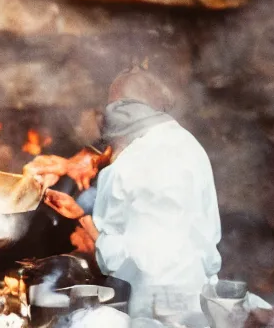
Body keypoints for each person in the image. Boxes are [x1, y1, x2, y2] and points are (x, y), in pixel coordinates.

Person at [27, 68, 221, 319]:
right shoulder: (190, 146)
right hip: (200, 302)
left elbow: (115, 260)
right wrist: (80, 215)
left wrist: (83, 220)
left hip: (152, 310)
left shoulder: (124, 168)